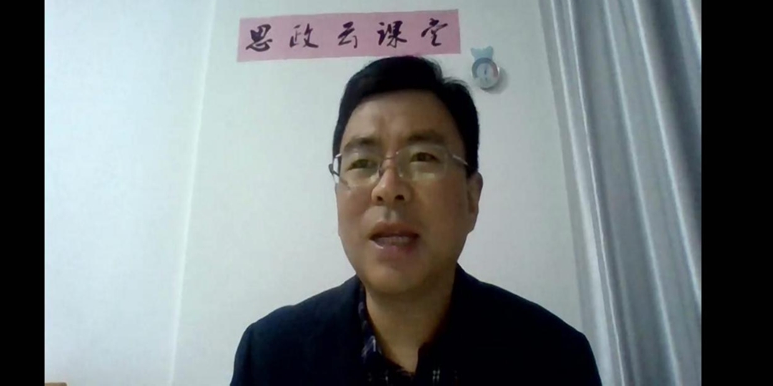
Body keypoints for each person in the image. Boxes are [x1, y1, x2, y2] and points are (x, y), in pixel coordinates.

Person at [230, 55, 602, 385]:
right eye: (362, 163)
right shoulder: (269, 356)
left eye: (423, 158)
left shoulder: (556, 359)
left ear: (471, 198)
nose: (388, 188)